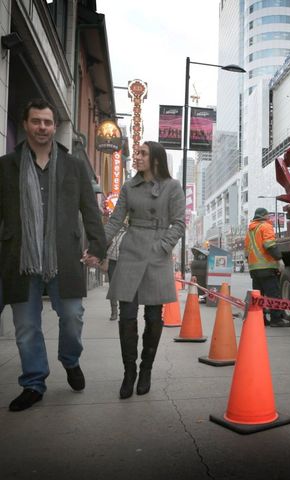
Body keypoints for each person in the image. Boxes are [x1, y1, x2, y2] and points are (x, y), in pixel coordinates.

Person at [0, 98, 107, 412]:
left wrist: (98, 248)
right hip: (20, 257)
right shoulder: (7, 166)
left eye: (47, 122)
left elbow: (90, 210)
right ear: (26, 124)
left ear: (54, 126)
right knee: (26, 327)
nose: (42, 127)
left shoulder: (72, 165)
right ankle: (33, 382)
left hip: (65, 256)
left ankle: (70, 360)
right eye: (36, 121)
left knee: (73, 317)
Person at [87, 141, 185, 399]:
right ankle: (129, 372)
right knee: (127, 316)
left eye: (143, 154)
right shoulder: (129, 187)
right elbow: (115, 221)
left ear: (155, 159)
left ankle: (146, 370)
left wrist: (162, 247)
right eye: (138, 153)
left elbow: (179, 223)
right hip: (130, 252)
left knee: (154, 316)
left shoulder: (173, 187)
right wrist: (97, 247)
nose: (138, 157)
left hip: (157, 255)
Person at [244, 207, 289, 327]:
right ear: (264, 216)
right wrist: (279, 259)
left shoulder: (250, 230)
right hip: (266, 268)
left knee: (258, 296)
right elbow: (269, 245)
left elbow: (246, 252)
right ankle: (276, 320)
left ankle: (261, 319)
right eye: (268, 216)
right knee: (273, 294)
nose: (269, 218)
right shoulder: (266, 226)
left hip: (254, 269)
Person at [105, 225, 127, 321]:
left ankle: (123, 311)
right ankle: (114, 312)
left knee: (123, 286)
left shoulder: (128, 234)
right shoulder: (112, 233)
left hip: (124, 262)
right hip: (112, 262)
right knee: (112, 287)